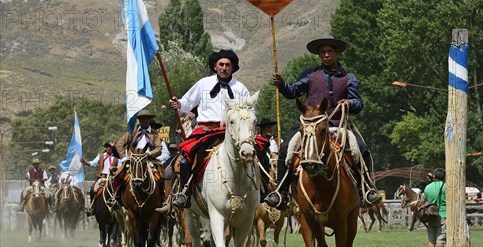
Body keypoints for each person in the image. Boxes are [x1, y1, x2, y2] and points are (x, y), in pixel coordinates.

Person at [264, 36, 381, 211]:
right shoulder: (310, 75)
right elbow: (293, 91)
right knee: (285, 149)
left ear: (336, 53)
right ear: (319, 55)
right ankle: (281, 193)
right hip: (311, 125)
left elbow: (358, 103)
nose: (326, 55)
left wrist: (349, 103)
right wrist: (282, 85)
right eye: (322, 52)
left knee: (361, 150)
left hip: (337, 125)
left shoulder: (348, 77)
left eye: (329, 51)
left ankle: (367, 190)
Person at [157, 49, 250, 213]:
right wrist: (178, 104)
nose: (224, 68)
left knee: (255, 153)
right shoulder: (203, 83)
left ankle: (262, 192)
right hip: (205, 130)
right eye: (221, 64)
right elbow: (187, 101)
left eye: (228, 65)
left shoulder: (240, 88)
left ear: (233, 67)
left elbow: (248, 111)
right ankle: (184, 194)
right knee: (185, 157)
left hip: (231, 132)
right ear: (215, 66)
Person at [80, 140, 121, 215]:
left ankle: (121, 206)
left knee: (120, 189)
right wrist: (84, 161)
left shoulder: (117, 157)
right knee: (93, 189)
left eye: (110, 147)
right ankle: (93, 207)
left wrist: (114, 168)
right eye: (107, 147)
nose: (109, 148)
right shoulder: (101, 156)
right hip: (102, 178)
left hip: (113, 178)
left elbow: (121, 166)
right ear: (105, 148)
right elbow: (92, 164)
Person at [424, 168, 446, 247]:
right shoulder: (446, 187)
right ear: (444, 176)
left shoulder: (427, 187)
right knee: (440, 239)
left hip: (431, 215)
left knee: (431, 239)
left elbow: (424, 200)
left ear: (434, 176)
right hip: (443, 215)